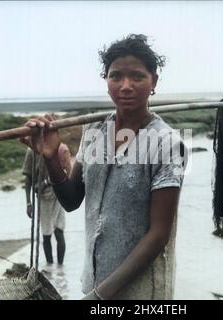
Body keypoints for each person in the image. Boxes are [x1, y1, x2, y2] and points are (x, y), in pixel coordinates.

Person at [20, 34, 188, 300]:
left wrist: (101, 295)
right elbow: (72, 199)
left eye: (137, 76)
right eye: (116, 76)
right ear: (106, 80)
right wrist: (51, 157)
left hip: (141, 293)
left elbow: (159, 234)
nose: (125, 86)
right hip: (94, 281)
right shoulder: (95, 132)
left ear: (153, 82)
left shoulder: (167, 143)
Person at [22, 142, 71, 267]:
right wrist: (28, 202)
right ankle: (50, 268)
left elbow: (67, 172)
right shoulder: (31, 151)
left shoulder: (59, 148)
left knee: (59, 231)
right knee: (46, 234)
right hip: (42, 197)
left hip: (58, 194)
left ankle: (60, 269)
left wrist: (46, 182)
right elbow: (28, 178)